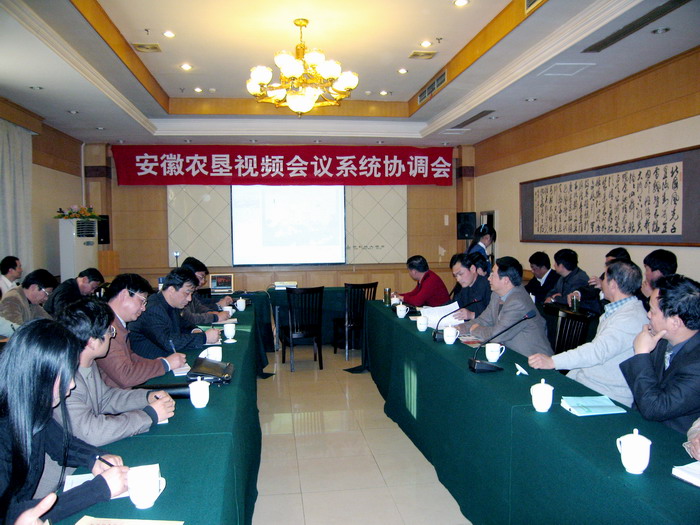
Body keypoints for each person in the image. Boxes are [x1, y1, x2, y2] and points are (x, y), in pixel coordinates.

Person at [34, 298, 175, 499]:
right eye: (109, 331)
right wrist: (149, 415)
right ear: (92, 341)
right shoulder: (63, 378)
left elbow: (105, 398)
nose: (112, 335)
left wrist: (146, 397)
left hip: (85, 463)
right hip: (56, 484)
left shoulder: (87, 362)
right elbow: (91, 432)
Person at [0, 319, 128, 524]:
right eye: (66, 375)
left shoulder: (28, 407)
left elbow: (60, 444)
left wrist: (94, 458)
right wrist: (98, 489)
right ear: (40, 374)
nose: (72, 384)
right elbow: (8, 514)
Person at [529, 260, 647, 406]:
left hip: (606, 395)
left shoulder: (631, 318)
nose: (601, 282)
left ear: (613, 284)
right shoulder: (619, 310)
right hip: (589, 383)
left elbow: (596, 351)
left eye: (604, 278)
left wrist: (553, 362)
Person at [619, 275, 700, 434]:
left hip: (673, 438)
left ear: (675, 322)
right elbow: (641, 396)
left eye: (653, 311)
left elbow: (655, 408)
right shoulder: (662, 339)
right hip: (642, 427)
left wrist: (642, 353)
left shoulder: (697, 365)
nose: (648, 315)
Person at [97, 273, 187, 388]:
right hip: (115, 395)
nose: (143, 308)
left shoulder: (116, 322)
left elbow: (130, 357)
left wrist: (156, 363)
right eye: (142, 301)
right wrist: (165, 364)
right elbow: (125, 375)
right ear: (124, 294)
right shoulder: (104, 326)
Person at [457, 256, 552, 357]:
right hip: (511, 355)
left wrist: (474, 330)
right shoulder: (496, 295)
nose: (488, 278)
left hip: (533, 360)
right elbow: (483, 320)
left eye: (493, 275)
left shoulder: (518, 302)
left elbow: (497, 335)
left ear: (506, 280)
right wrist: (459, 328)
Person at [129, 268, 220, 359]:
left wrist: (195, 331)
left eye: (191, 294)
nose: (189, 299)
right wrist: (204, 338)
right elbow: (169, 343)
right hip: (151, 361)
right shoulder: (153, 309)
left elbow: (185, 325)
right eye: (187, 293)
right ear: (172, 290)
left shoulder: (172, 304)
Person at [545, 249, 600, 314]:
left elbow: (569, 301)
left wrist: (554, 298)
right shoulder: (562, 277)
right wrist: (552, 297)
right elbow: (551, 292)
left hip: (582, 316)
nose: (554, 265)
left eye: (555, 263)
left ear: (561, 266)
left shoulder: (580, 279)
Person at [180, 257, 230, 325]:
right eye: (201, 277)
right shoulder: (179, 292)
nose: (203, 281)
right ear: (190, 274)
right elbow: (189, 318)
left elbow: (198, 306)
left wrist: (209, 312)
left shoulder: (191, 291)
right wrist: (215, 317)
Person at [449, 252, 491, 320]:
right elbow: (453, 304)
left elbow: (494, 316)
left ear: (472, 269)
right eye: (455, 276)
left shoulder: (488, 286)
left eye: (461, 274)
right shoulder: (465, 288)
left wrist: (472, 315)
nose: (458, 279)